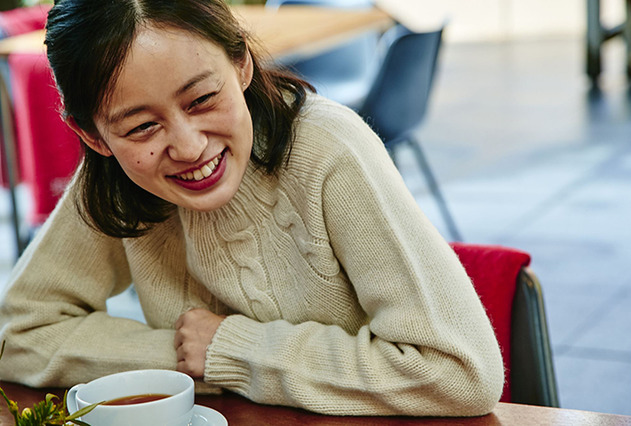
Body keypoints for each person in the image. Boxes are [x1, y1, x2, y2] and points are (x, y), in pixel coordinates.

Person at [0, 0, 504, 417]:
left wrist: (232, 351)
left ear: (241, 62)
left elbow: (459, 371)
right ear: (94, 136)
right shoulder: (115, 177)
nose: (190, 146)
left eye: (201, 99)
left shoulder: (329, 151)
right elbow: (17, 333)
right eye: (141, 128)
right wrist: (179, 358)